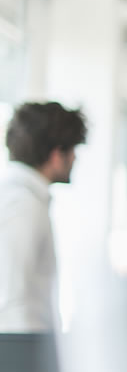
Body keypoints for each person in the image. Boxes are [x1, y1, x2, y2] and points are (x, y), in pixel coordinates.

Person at [0, 102, 85, 332]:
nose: (76, 159)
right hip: (22, 356)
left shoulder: (22, 197)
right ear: (57, 155)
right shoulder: (23, 203)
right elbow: (11, 300)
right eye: (73, 151)